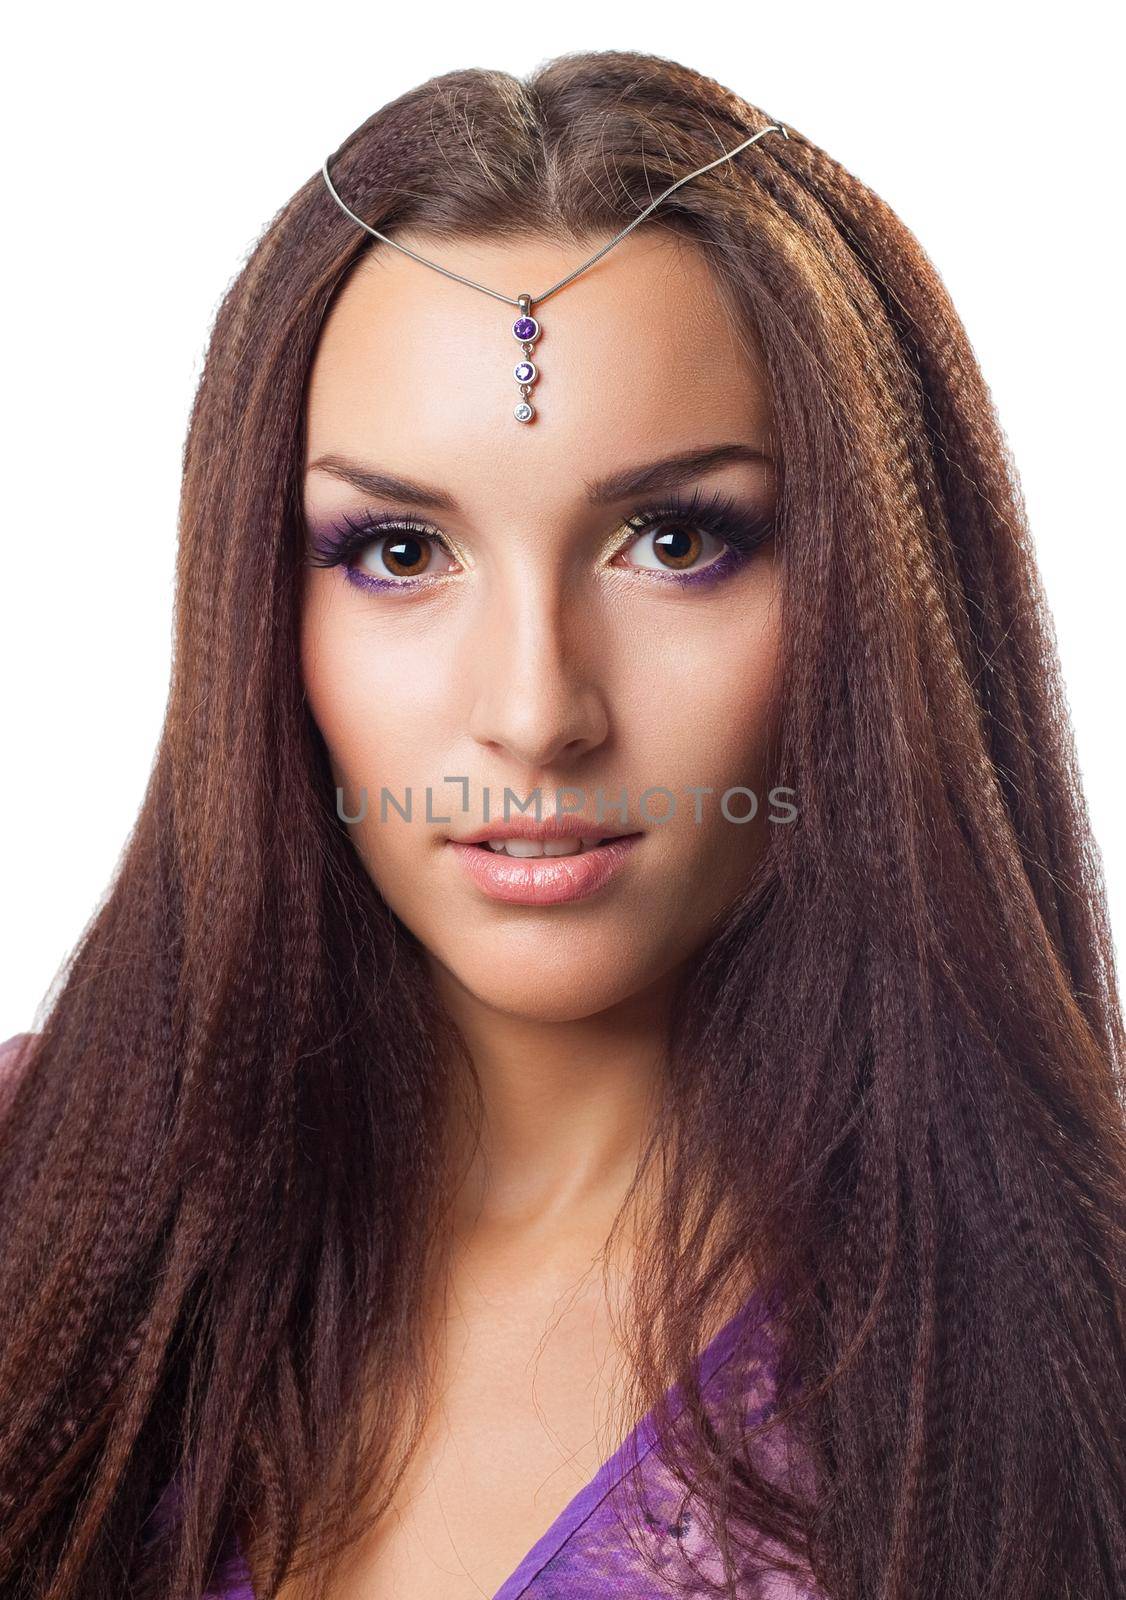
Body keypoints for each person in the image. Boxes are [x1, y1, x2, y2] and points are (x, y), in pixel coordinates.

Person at [1, 47, 1123, 1600]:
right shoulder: (30, 1190)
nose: (535, 712)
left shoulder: (1059, 1361)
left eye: (673, 542)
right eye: (397, 550)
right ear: (258, 608)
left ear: (876, 602)